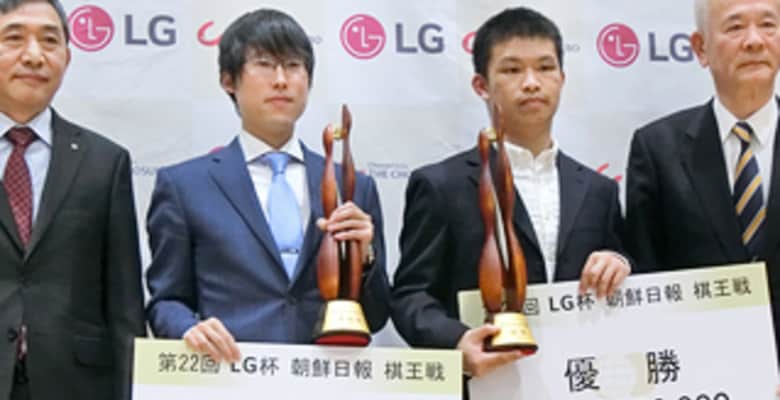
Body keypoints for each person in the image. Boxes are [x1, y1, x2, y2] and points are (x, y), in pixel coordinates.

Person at [390, 6, 631, 389]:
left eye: (545, 68)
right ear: (481, 85)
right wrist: (455, 342)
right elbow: (410, 295)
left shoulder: (599, 190)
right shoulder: (440, 185)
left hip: (584, 382)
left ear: (562, 78)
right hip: (486, 385)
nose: (532, 83)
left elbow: (631, 273)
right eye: (512, 70)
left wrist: (620, 263)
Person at [145, 8, 391, 362]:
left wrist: (365, 257)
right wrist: (188, 328)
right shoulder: (185, 186)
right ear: (228, 80)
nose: (281, 80)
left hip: (329, 375)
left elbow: (377, 315)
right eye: (264, 64)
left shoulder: (353, 186)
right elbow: (166, 300)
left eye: (293, 66)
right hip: (229, 372)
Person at [625, 0, 780, 392]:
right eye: (735, 27)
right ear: (700, 48)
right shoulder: (656, 149)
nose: (754, 41)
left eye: (768, 25)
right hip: (700, 379)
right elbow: (645, 272)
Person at [0, 1, 145, 399]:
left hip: (76, 384)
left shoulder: (105, 162)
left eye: (50, 41)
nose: (34, 55)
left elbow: (124, 306)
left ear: (67, 57)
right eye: (14, 38)